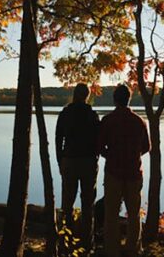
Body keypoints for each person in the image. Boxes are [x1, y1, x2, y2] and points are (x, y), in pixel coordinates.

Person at [97, 85, 150, 257]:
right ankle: (132, 249)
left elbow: (99, 146)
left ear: (114, 99)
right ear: (129, 99)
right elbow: (146, 147)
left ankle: (111, 250)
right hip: (134, 173)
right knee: (134, 214)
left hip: (113, 173)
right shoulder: (139, 121)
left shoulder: (107, 120)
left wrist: (111, 156)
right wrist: (133, 156)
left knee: (111, 213)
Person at [55, 83, 100, 253]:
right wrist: (95, 157)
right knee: (88, 204)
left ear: (74, 94)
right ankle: (87, 244)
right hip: (88, 163)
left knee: (67, 203)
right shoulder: (92, 115)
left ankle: (64, 242)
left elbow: (58, 139)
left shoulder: (65, 114)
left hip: (69, 161)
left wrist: (60, 161)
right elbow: (98, 140)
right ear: (87, 96)